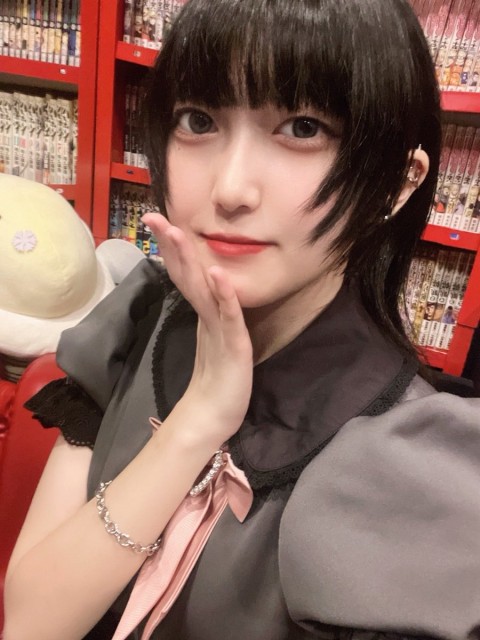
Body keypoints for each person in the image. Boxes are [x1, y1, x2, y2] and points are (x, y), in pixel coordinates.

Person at [4, 1, 480, 639]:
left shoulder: (408, 460)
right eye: (198, 121)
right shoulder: (136, 322)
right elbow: (32, 625)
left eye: (303, 128)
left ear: (397, 182)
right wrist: (197, 419)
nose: (229, 189)